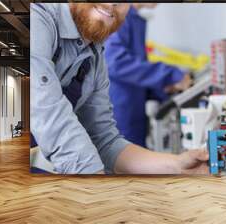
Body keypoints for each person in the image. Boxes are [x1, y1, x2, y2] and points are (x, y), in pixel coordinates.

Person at [31, 3, 209, 174]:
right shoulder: (37, 20)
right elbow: (48, 115)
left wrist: (178, 166)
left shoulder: (94, 53)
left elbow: (104, 140)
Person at [105, 4, 192, 147]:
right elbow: (115, 62)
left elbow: (136, 71)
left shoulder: (134, 19)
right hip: (119, 113)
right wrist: (171, 76)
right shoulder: (120, 16)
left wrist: (163, 88)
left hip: (133, 110)